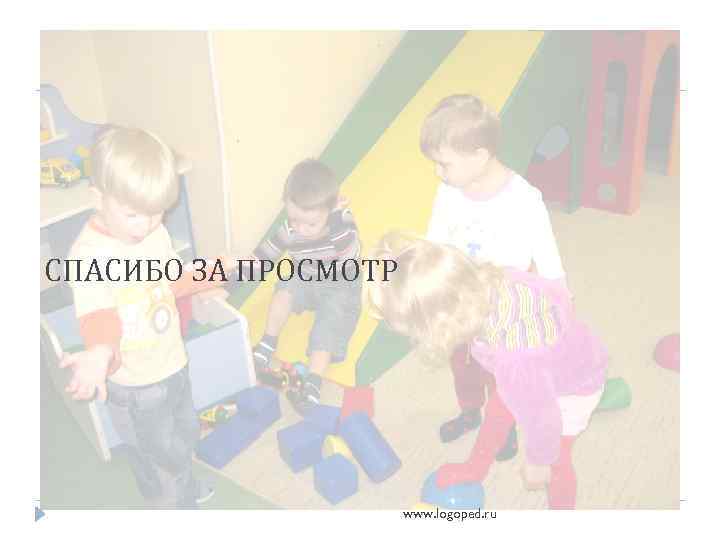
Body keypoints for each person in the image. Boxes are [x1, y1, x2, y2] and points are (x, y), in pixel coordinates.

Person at [367, 232, 607, 509]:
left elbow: (543, 416)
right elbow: (554, 292)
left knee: (557, 460)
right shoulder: (488, 282)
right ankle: (475, 468)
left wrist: (539, 462)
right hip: (549, 365)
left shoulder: (516, 360)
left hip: (572, 388)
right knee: (499, 407)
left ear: (442, 327)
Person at [61, 126, 234, 507]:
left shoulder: (154, 234)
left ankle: (181, 481)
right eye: (133, 215)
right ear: (97, 198)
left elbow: (170, 280)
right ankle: (169, 501)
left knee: (183, 434)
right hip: (135, 385)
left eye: (157, 213)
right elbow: (98, 315)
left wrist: (213, 273)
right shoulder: (89, 256)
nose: (146, 225)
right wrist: (100, 353)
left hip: (171, 362)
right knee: (157, 458)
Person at [421, 94, 571, 443]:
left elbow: (546, 251)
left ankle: (502, 423)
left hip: (506, 304)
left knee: (502, 368)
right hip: (461, 298)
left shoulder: (524, 198)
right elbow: (435, 239)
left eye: (444, 164)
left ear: (479, 156)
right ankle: (470, 409)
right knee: (463, 363)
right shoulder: (448, 192)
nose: (437, 172)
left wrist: (561, 294)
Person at [250, 159, 362, 414]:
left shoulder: (342, 223)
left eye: (310, 224)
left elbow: (349, 252)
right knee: (284, 288)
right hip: (306, 275)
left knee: (329, 323)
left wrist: (335, 217)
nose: (301, 229)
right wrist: (229, 280)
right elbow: (263, 256)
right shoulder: (292, 229)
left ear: (330, 211)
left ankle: (313, 381)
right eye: (294, 219)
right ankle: (267, 342)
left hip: (340, 284)